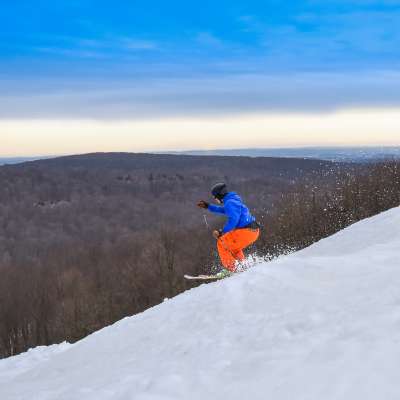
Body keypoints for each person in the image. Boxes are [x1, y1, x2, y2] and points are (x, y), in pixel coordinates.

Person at [198, 183, 260, 273]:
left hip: (246, 231)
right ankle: (243, 265)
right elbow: (223, 210)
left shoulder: (229, 203)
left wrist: (221, 232)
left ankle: (231, 268)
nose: (215, 199)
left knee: (221, 242)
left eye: (215, 197)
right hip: (253, 231)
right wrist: (208, 206)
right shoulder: (233, 199)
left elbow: (234, 219)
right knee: (233, 247)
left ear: (219, 195)